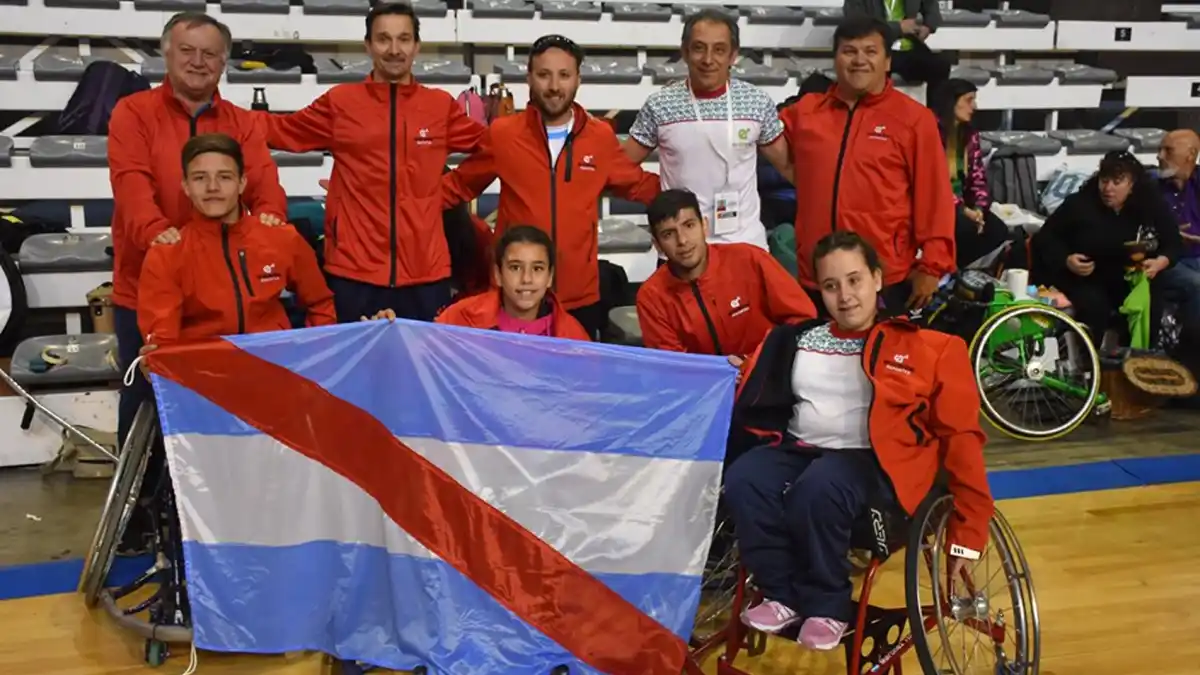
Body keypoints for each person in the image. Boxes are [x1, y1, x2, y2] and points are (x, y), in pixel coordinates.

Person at [726, 231, 993, 650]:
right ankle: (781, 593)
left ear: (877, 279)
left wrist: (970, 532)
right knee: (745, 478)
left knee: (819, 486)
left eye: (855, 281)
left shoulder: (932, 348)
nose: (845, 296)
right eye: (831, 286)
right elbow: (756, 390)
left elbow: (961, 439)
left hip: (875, 464)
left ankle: (829, 605)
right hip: (802, 449)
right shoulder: (796, 340)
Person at [108, 11, 287, 452]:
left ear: (224, 62)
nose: (198, 62)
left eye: (210, 54)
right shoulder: (133, 113)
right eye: (187, 51)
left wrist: (270, 219)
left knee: (226, 409)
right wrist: (156, 235)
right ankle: (140, 512)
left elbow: (265, 183)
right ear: (167, 54)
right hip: (146, 288)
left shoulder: (242, 122)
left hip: (222, 292)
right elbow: (130, 184)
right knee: (146, 401)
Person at [258, 2, 486, 323]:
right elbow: (278, 130)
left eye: (404, 39)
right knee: (359, 371)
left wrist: (450, 190)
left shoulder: (439, 107)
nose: (394, 49)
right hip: (354, 273)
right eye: (383, 39)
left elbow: (493, 149)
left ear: (416, 46)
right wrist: (221, 114)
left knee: (417, 370)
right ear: (368, 45)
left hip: (425, 274)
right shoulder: (341, 103)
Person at [441, 34, 660, 339]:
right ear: (529, 78)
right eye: (544, 75)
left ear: (578, 79)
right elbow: (457, 187)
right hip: (515, 293)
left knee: (573, 384)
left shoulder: (600, 138)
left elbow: (640, 186)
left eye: (564, 75)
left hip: (579, 298)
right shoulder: (504, 134)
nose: (554, 86)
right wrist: (398, 208)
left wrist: (691, 193)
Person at [781, 16, 955, 314]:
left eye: (870, 51)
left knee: (879, 360)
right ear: (835, 60)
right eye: (849, 51)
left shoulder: (914, 120)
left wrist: (933, 265)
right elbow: (754, 129)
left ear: (887, 61)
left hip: (883, 276)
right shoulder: (806, 113)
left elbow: (935, 197)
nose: (859, 60)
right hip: (818, 277)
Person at [137, 133, 337, 347]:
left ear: (242, 183)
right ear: (186, 186)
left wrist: (314, 352)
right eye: (199, 178)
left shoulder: (281, 238)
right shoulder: (166, 255)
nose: (212, 187)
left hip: (275, 370)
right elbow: (162, 341)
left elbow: (320, 303)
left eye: (224, 177)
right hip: (204, 375)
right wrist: (155, 360)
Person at [622, 9, 792, 252]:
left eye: (719, 50)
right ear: (685, 52)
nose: (708, 59)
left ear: (733, 55)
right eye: (699, 48)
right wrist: (655, 192)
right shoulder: (660, 104)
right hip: (682, 249)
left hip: (745, 244)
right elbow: (623, 163)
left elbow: (787, 166)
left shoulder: (757, 102)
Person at [636, 189, 816, 358]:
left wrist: (755, 362)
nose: (682, 240)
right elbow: (674, 368)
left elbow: (803, 320)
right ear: (657, 244)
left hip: (768, 376)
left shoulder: (750, 259)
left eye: (689, 225)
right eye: (668, 234)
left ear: (704, 226)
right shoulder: (652, 297)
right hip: (705, 388)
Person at [1033, 151, 1183, 345]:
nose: (1108, 188)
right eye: (1104, 180)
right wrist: (1066, 259)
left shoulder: (1151, 205)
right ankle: (1091, 362)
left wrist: (1161, 262)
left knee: (1150, 299)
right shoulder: (1079, 204)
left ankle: (1142, 356)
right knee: (1094, 305)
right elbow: (1045, 237)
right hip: (1086, 276)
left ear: (1132, 184)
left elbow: (1173, 243)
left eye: (1117, 182)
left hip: (1132, 275)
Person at [930, 79, 1027, 271]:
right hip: (937, 204)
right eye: (969, 100)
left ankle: (959, 268)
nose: (974, 106)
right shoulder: (931, 132)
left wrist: (979, 209)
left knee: (997, 229)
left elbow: (977, 177)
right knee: (964, 226)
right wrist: (964, 210)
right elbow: (933, 183)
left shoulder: (969, 135)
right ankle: (947, 271)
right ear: (951, 101)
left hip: (964, 206)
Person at [436, 225, 589, 340]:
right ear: (498, 275)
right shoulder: (459, 319)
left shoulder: (572, 335)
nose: (526, 279)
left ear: (550, 277)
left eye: (537, 268)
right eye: (515, 268)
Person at [843, 0, 949, 92]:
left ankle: (935, 114)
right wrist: (898, 28)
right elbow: (856, 22)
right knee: (873, 71)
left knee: (939, 66)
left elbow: (931, 5)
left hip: (909, 44)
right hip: (875, 47)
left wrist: (928, 26)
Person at [1154, 129, 1200, 340]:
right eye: (1160, 150)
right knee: (1196, 283)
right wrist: (1166, 234)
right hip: (1168, 261)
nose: (1159, 156)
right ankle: (1191, 352)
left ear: (1191, 154)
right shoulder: (1149, 188)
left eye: (1168, 150)